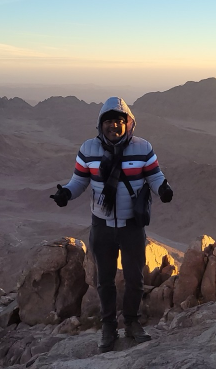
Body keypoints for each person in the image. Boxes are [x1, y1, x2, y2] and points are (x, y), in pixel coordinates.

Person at [50, 96, 173, 352]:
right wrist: (66, 194)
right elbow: (79, 181)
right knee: (104, 279)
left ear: (128, 123)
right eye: (108, 121)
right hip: (102, 225)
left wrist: (163, 188)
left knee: (135, 278)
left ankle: (132, 323)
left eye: (119, 121)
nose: (114, 126)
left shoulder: (143, 147)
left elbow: (154, 176)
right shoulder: (88, 149)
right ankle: (108, 327)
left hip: (132, 226)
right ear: (100, 124)